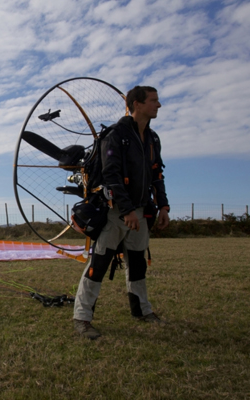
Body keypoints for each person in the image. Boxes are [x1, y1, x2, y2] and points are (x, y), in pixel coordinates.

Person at [73, 86, 170, 340]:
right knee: (99, 265)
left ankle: (142, 311)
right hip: (116, 213)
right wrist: (126, 210)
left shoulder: (153, 138)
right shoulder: (116, 135)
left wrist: (163, 206)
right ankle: (82, 318)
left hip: (140, 213)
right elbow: (111, 175)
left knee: (137, 265)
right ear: (137, 104)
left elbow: (157, 173)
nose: (158, 105)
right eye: (153, 101)